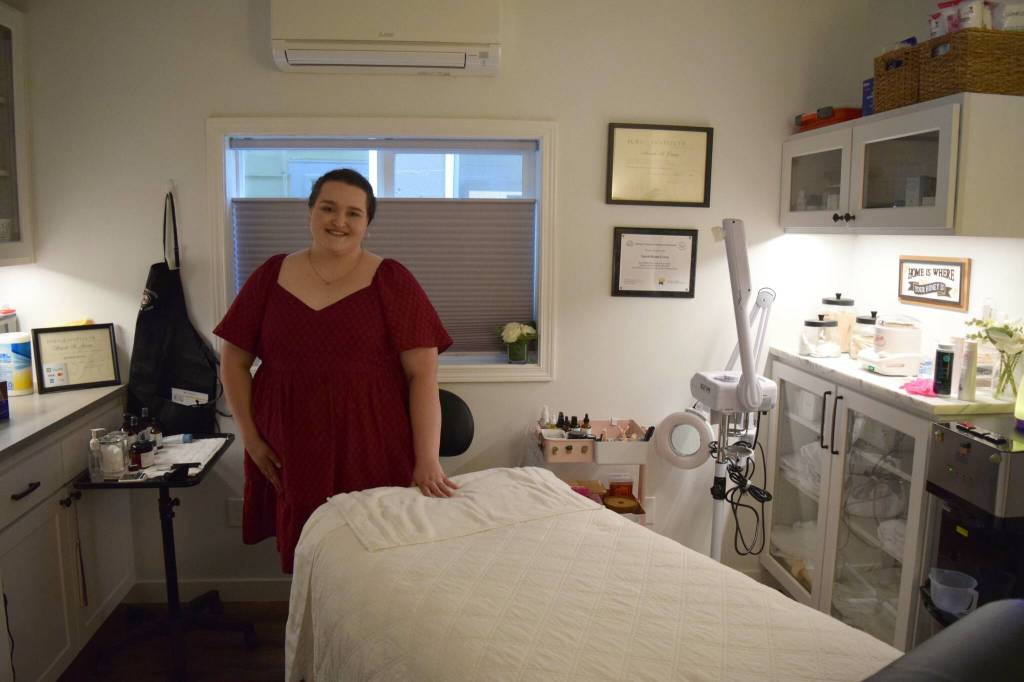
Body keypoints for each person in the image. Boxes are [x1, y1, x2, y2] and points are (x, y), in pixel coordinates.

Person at [214, 168, 458, 572]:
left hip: (371, 440)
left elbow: (423, 376)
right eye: (328, 208)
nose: (339, 221)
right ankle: (311, 633)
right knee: (309, 551)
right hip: (289, 442)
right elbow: (233, 361)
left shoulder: (391, 281)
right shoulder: (270, 276)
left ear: (367, 223)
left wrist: (427, 457)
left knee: (372, 551)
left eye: (353, 213)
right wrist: (251, 440)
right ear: (310, 212)